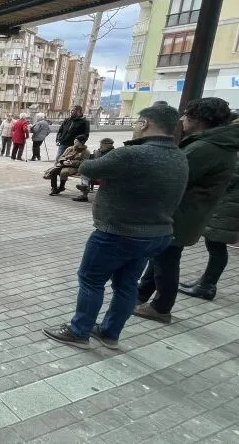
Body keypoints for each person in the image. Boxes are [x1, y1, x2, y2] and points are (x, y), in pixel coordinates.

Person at [43, 105, 188, 349]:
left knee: (91, 280)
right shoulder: (179, 156)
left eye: (137, 122)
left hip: (118, 233)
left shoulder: (132, 154)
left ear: (144, 124)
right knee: (127, 284)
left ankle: (79, 331)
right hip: (155, 234)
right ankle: (110, 333)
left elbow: (88, 167)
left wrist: (121, 148)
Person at [136, 98, 239, 323]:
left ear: (200, 119)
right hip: (187, 211)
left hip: (182, 212)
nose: (182, 119)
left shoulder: (206, 147)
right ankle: (141, 294)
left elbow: (174, 176)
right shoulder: (213, 143)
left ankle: (161, 307)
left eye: (186, 115)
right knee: (160, 256)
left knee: (167, 259)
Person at [179, 152, 239, 301]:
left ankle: (207, 286)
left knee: (216, 246)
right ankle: (205, 282)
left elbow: (227, 178)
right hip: (227, 206)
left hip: (228, 208)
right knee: (214, 245)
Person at [72, 138, 115, 203]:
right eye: (100, 144)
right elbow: (90, 160)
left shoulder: (113, 153)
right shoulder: (97, 152)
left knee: (88, 175)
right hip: (95, 171)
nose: (100, 146)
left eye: (102, 144)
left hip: (105, 173)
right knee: (85, 172)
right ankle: (84, 192)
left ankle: (85, 189)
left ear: (109, 145)